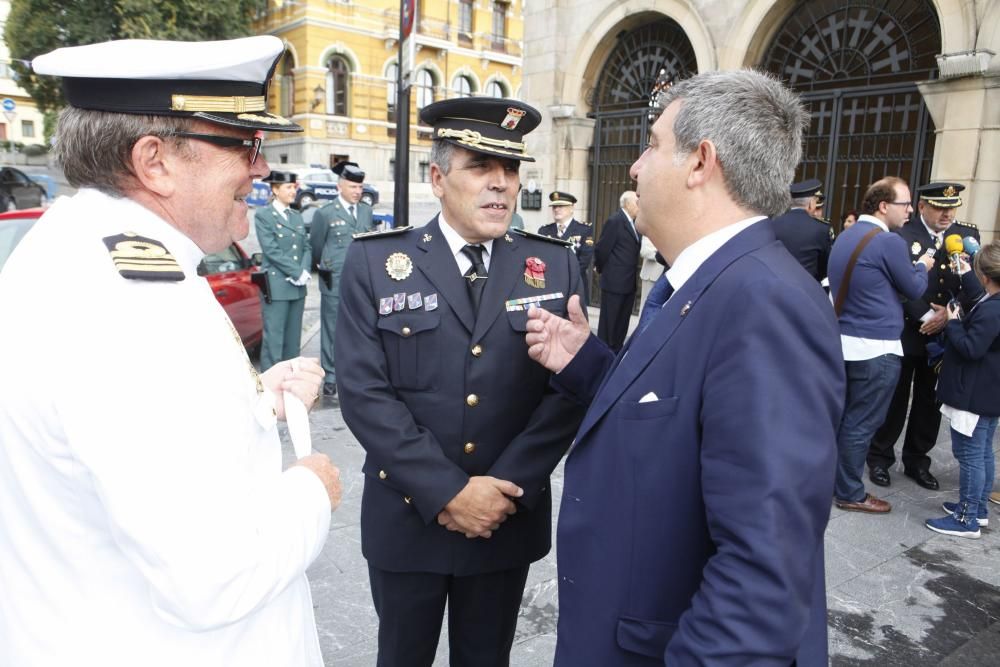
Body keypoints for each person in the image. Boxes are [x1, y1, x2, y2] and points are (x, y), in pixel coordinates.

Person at [0, 36, 341, 667]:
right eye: (244, 145)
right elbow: (215, 577)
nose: (260, 169)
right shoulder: (135, 307)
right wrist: (312, 489)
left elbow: (124, 434)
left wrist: (255, 401)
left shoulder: (75, 252)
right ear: (154, 161)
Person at [525, 69, 844, 665]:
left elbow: (762, 570)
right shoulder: (698, 280)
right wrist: (587, 362)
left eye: (650, 143)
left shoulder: (764, 303)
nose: (635, 168)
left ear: (701, 162)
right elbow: (678, 415)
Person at [333, 97, 587, 666]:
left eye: (511, 170)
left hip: (503, 518)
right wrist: (448, 492)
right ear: (438, 177)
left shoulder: (554, 264)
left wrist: (501, 489)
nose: (501, 185)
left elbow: (566, 389)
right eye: (480, 167)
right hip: (408, 514)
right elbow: (364, 393)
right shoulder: (377, 262)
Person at [827, 177, 934, 515]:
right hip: (876, 349)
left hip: (843, 342)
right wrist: (922, 266)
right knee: (861, 424)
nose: (909, 211)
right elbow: (914, 289)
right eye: (905, 204)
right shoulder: (888, 242)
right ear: (884, 206)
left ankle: (831, 481)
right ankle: (849, 492)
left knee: (844, 419)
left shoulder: (847, 235)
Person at [868, 182, 982, 490]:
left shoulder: (966, 236)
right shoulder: (901, 235)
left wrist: (948, 314)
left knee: (930, 401)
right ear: (922, 207)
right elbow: (894, 283)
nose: (947, 214)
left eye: (952, 208)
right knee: (895, 398)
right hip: (909, 329)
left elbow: (973, 286)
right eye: (939, 208)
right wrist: (927, 315)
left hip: (945, 334)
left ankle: (917, 460)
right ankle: (879, 458)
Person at [925, 240, 1000, 538]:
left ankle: (966, 517)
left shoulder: (993, 309)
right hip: (987, 391)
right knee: (982, 452)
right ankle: (978, 509)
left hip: (974, 393)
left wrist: (953, 323)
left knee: (969, 453)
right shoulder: (991, 301)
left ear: (985, 276)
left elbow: (971, 348)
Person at [310, 160, 374, 397]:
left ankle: (354, 372)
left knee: (359, 327)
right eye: (353, 187)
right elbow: (316, 246)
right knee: (332, 329)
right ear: (340, 187)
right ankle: (331, 375)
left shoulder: (367, 211)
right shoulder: (325, 213)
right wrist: (324, 266)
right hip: (334, 279)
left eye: (360, 188)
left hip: (361, 281)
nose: (358, 192)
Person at [255, 170, 311, 371]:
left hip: (297, 288)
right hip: (277, 286)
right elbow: (271, 251)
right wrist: (296, 272)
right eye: (288, 187)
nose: (293, 191)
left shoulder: (296, 216)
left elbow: (306, 246)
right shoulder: (264, 216)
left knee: (292, 342)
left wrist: (304, 271)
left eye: (294, 187)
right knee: (274, 341)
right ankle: (270, 388)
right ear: (275, 189)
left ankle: (291, 383)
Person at [594, 190, 641, 351]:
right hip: (614, 283)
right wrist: (600, 269)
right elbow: (602, 248)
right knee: (609, 326)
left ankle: (615, 353)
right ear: (627, 204)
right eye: (637, 202)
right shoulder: (615, 221)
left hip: (628, 283)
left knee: (621, 324)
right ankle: (603, 354)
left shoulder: (634, 223)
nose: (639, 206)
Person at [769, 178, 833, 281]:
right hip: (806, 288)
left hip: (774, 285)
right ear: (811, 204)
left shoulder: (773, 223)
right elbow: (825, 267)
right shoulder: (821, 228)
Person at [539, 190, 594, 305]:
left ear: (572, 208)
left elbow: (585, 259)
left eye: (561, 206)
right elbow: (540, 257)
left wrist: (565, 276)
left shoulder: (583, 230)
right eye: (554, 206)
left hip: (574, 285)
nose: (556, 209)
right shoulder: (544, 230)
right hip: (550, 285)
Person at [637, 234, 665, 309]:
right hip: (650, 276)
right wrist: (663, 254)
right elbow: (644, 251)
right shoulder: (650, 228)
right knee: (645, 307)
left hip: (667, 276)